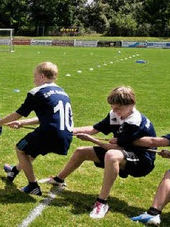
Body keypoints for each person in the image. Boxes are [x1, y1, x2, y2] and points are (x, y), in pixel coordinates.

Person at [42, 86, 156, 219]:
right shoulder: (115, 114)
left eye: (118, 108)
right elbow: (94, 129)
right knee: (80, 152)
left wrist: (91, 140)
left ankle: (102, 202)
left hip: (142, 161)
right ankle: (58, 179)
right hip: (122, 151)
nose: (114, 110)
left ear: (132, 105)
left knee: (111, 155)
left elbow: (114, 148)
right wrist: (67, 130)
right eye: (112, 107)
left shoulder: (134, 122)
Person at [0, 62, 73, 196]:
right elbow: (47, 117)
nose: (34, 80)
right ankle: (14, 171)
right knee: (31, 152)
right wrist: (21, 123)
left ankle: (33, 185)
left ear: (42, 76)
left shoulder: (37, 92)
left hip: (48, 133)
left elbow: (18, 113)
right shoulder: (63, 93)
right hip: (66, 135)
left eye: (35, 76)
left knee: (20, 149)